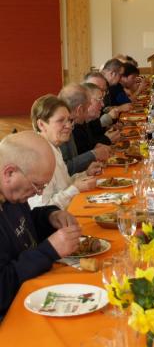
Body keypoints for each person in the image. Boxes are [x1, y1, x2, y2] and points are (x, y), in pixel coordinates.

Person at [0, 131, 81, 317]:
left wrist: (50, 216)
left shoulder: (12, 195)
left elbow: (22, 227)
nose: (38, 193)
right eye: (37, 185)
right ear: (9, 172)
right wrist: (49, 251)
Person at [28, 95, 97, 210]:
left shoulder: (54, 147)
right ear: (41, 124)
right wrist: (75, 189)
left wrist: (85, 174)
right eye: (60, 121)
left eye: (69, 120)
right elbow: (41, 209)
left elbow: (63, 186)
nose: (69, 126)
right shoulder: (38, 157)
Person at [58, 84, 109, 175]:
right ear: (80, 109)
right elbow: (64, 169)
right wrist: (93, 154)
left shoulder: (72, 123)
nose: (88, 110)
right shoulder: (63, 129)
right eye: (88, 105)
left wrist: (86, 173)